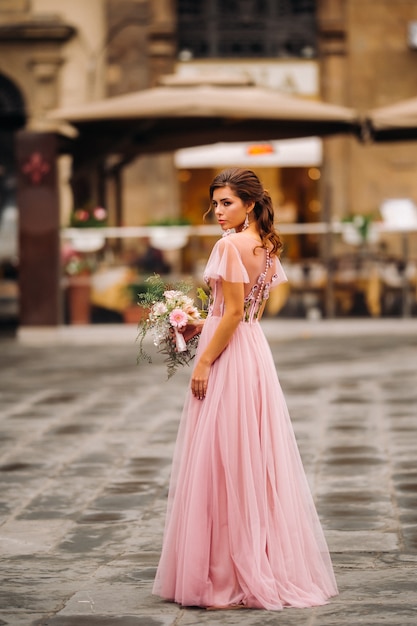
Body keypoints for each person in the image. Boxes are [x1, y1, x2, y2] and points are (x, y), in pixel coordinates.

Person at [152, 168, 338, 610]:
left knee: (220, 459)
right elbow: (250, 311)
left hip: (231, 354)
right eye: (215, 203)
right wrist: (202, 322)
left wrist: (205, 361)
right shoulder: (267, 247)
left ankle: (224, 573)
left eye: (227, 203)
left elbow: (233, 313)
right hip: (254, 351)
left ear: (249, 204)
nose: (218, 212)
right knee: (249, 456)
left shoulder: (229, 246)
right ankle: (256, 560)